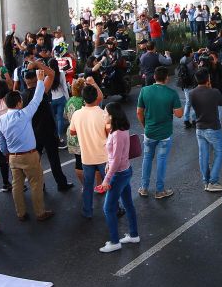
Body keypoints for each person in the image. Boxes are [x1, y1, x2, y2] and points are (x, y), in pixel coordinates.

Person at [0, 70, 55, 222]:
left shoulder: (1, 121)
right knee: (36, 183)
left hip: (13, 158)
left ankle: (21, 213)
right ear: (19, 103)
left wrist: (6, 154)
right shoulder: (24, 114)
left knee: (17, 185)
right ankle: (40, 212)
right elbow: (37, 98)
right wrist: (40, 80)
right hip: (29, 155)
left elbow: (0, 142)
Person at [21, 64, 72, 191]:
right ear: (37, 78)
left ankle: (40, 186)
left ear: (25, 81)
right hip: (48, 130)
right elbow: (52, 74)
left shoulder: (21, 96)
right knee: (54, 159)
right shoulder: (42, 90)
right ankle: (61, 184)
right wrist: (37, 63)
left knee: (36, 163)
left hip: (33, 133)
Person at [97, 102, 140, 253]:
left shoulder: (117, 134)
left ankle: (115, 242)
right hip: (125, 171)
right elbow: (116, 157)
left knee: (108, 208)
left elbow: (116, 159)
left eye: (105, 113)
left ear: (112, 115)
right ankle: (134, 235)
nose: (103, 115)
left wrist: (106, 179)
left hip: (119, 175)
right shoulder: (121, 130)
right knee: (128, 204)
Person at [136, 66, 183, 199]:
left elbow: (139, 112)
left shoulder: (144, 91)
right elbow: (179, 114)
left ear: (154, 77)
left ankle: (144, 188)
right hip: (165, 134)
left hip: (149, 132)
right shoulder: (171, 93)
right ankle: (160, 190)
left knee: (147, 159)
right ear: (167, 78)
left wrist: (145, 126)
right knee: (161, 161)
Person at [69, 79, 109, 218]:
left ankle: (87, 211)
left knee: (87, 186)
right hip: (103, 156)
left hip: (86, 157)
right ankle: (115, 209)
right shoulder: (103, 113)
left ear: (83, 98)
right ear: (96, 98)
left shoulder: (77, 114)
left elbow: (72, 132)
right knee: (109, 184)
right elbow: (108, 132)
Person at [189, 68, 222, 192]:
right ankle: (213, 181)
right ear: (208, 79)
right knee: (219, 153)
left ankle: (206, 181)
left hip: (199, 128)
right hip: (213, 127)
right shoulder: (214, 92)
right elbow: (221, 102)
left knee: (203, 155)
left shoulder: (192, 93)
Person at [177, 46, 197, 129]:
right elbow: (194, 73)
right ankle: (194, 119)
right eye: (192, 51)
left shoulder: (182, 60)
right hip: (192, 84)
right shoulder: (191, 62)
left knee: (188, 102)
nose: (193, 52)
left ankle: (186, 120)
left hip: (185, 84)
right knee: (195, 102)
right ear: (190, 52)